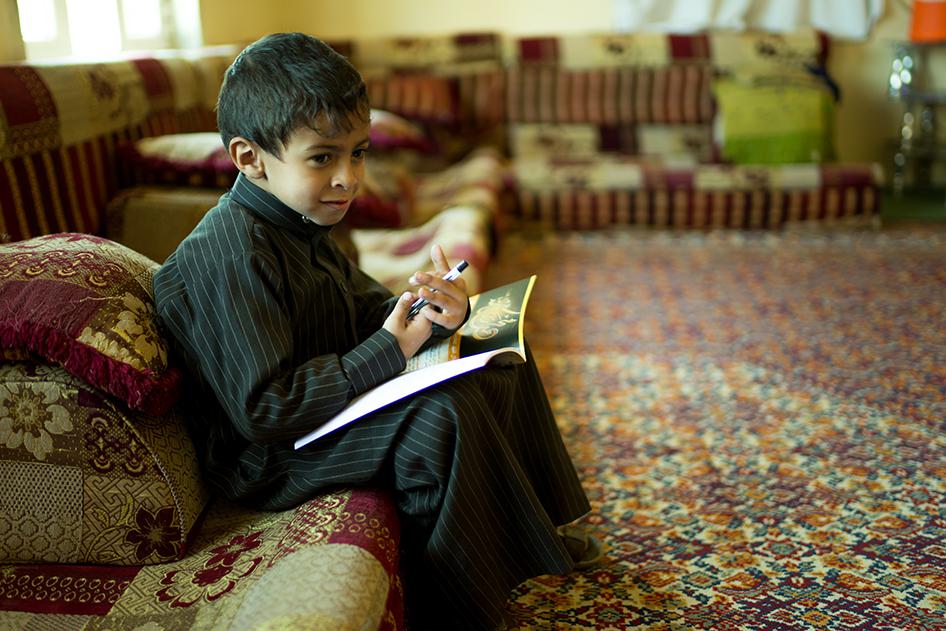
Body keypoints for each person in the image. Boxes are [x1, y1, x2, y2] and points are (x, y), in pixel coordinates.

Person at [153, 32, 600, 630]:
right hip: (272, 455)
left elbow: (370, 310)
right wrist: (392, 349)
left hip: (326, 407)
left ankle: (537, 526)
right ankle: (459, 607)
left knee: (492, 339)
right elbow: (266, 408)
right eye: (322, 157)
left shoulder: (306, 223)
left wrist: (434, 311)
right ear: (249, 157)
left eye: (358, 152)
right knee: (444, 417)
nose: (348, 177)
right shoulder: (230, 253)